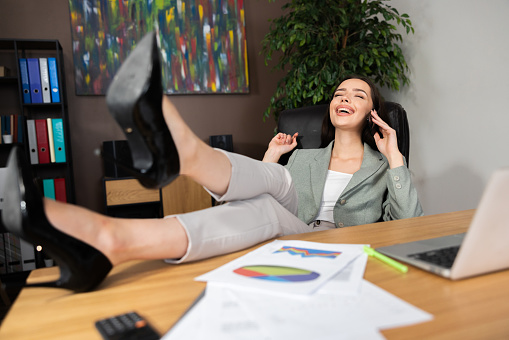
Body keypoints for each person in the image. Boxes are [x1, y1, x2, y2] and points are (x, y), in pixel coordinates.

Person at [1, 32, 422, 293]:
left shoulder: (384, 166)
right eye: (338, 93)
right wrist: (274, 156)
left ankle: (125, 221)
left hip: (334, 246)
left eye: (357, 95)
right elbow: (255, 201)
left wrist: (396, 158)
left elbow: (411, 226)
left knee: (264, 207)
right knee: (274, 180)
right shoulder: (307, 156)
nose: (343, 98)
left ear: (373, 114)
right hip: (293, 221)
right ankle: (181, 161)